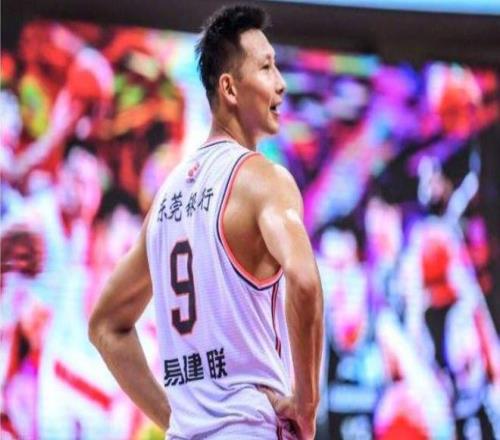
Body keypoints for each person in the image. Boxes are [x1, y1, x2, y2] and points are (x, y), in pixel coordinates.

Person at [89, 5, 323, 439]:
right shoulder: (265, 180)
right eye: (266, 67)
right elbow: (305, 282)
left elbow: (105, 326)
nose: (281, 82)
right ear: (229, 88)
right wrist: (306, 406)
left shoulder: (166, 198)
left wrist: (176, 419)